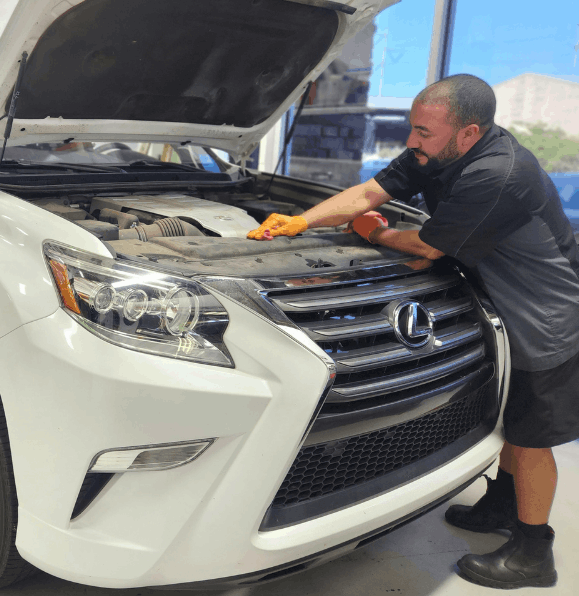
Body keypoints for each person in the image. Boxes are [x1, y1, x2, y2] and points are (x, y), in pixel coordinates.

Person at [247, 74, 579, 590]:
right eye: (412, 128)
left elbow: (428, 247)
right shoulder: (437, 152)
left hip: (548, 318)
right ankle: (501, 506)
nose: (412, 141)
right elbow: (368, 191)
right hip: (503, 308)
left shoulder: (497, 173)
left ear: (468, 133)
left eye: (423, 132)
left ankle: (534, 553)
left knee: (533, 438)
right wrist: (299, 222)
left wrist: (375, 233)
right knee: (515, 420)